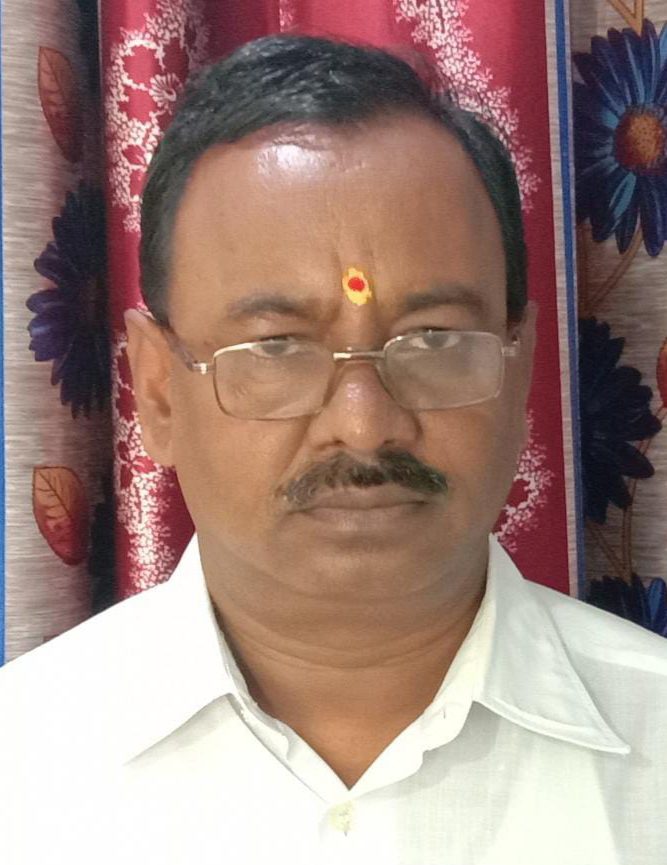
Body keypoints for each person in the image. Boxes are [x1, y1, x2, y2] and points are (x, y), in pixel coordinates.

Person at [1, 34, 666, 865]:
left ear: (517, 365)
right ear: (159, 391)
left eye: (432, 339)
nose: (362, 423)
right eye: (276, 347)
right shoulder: (23, 764)